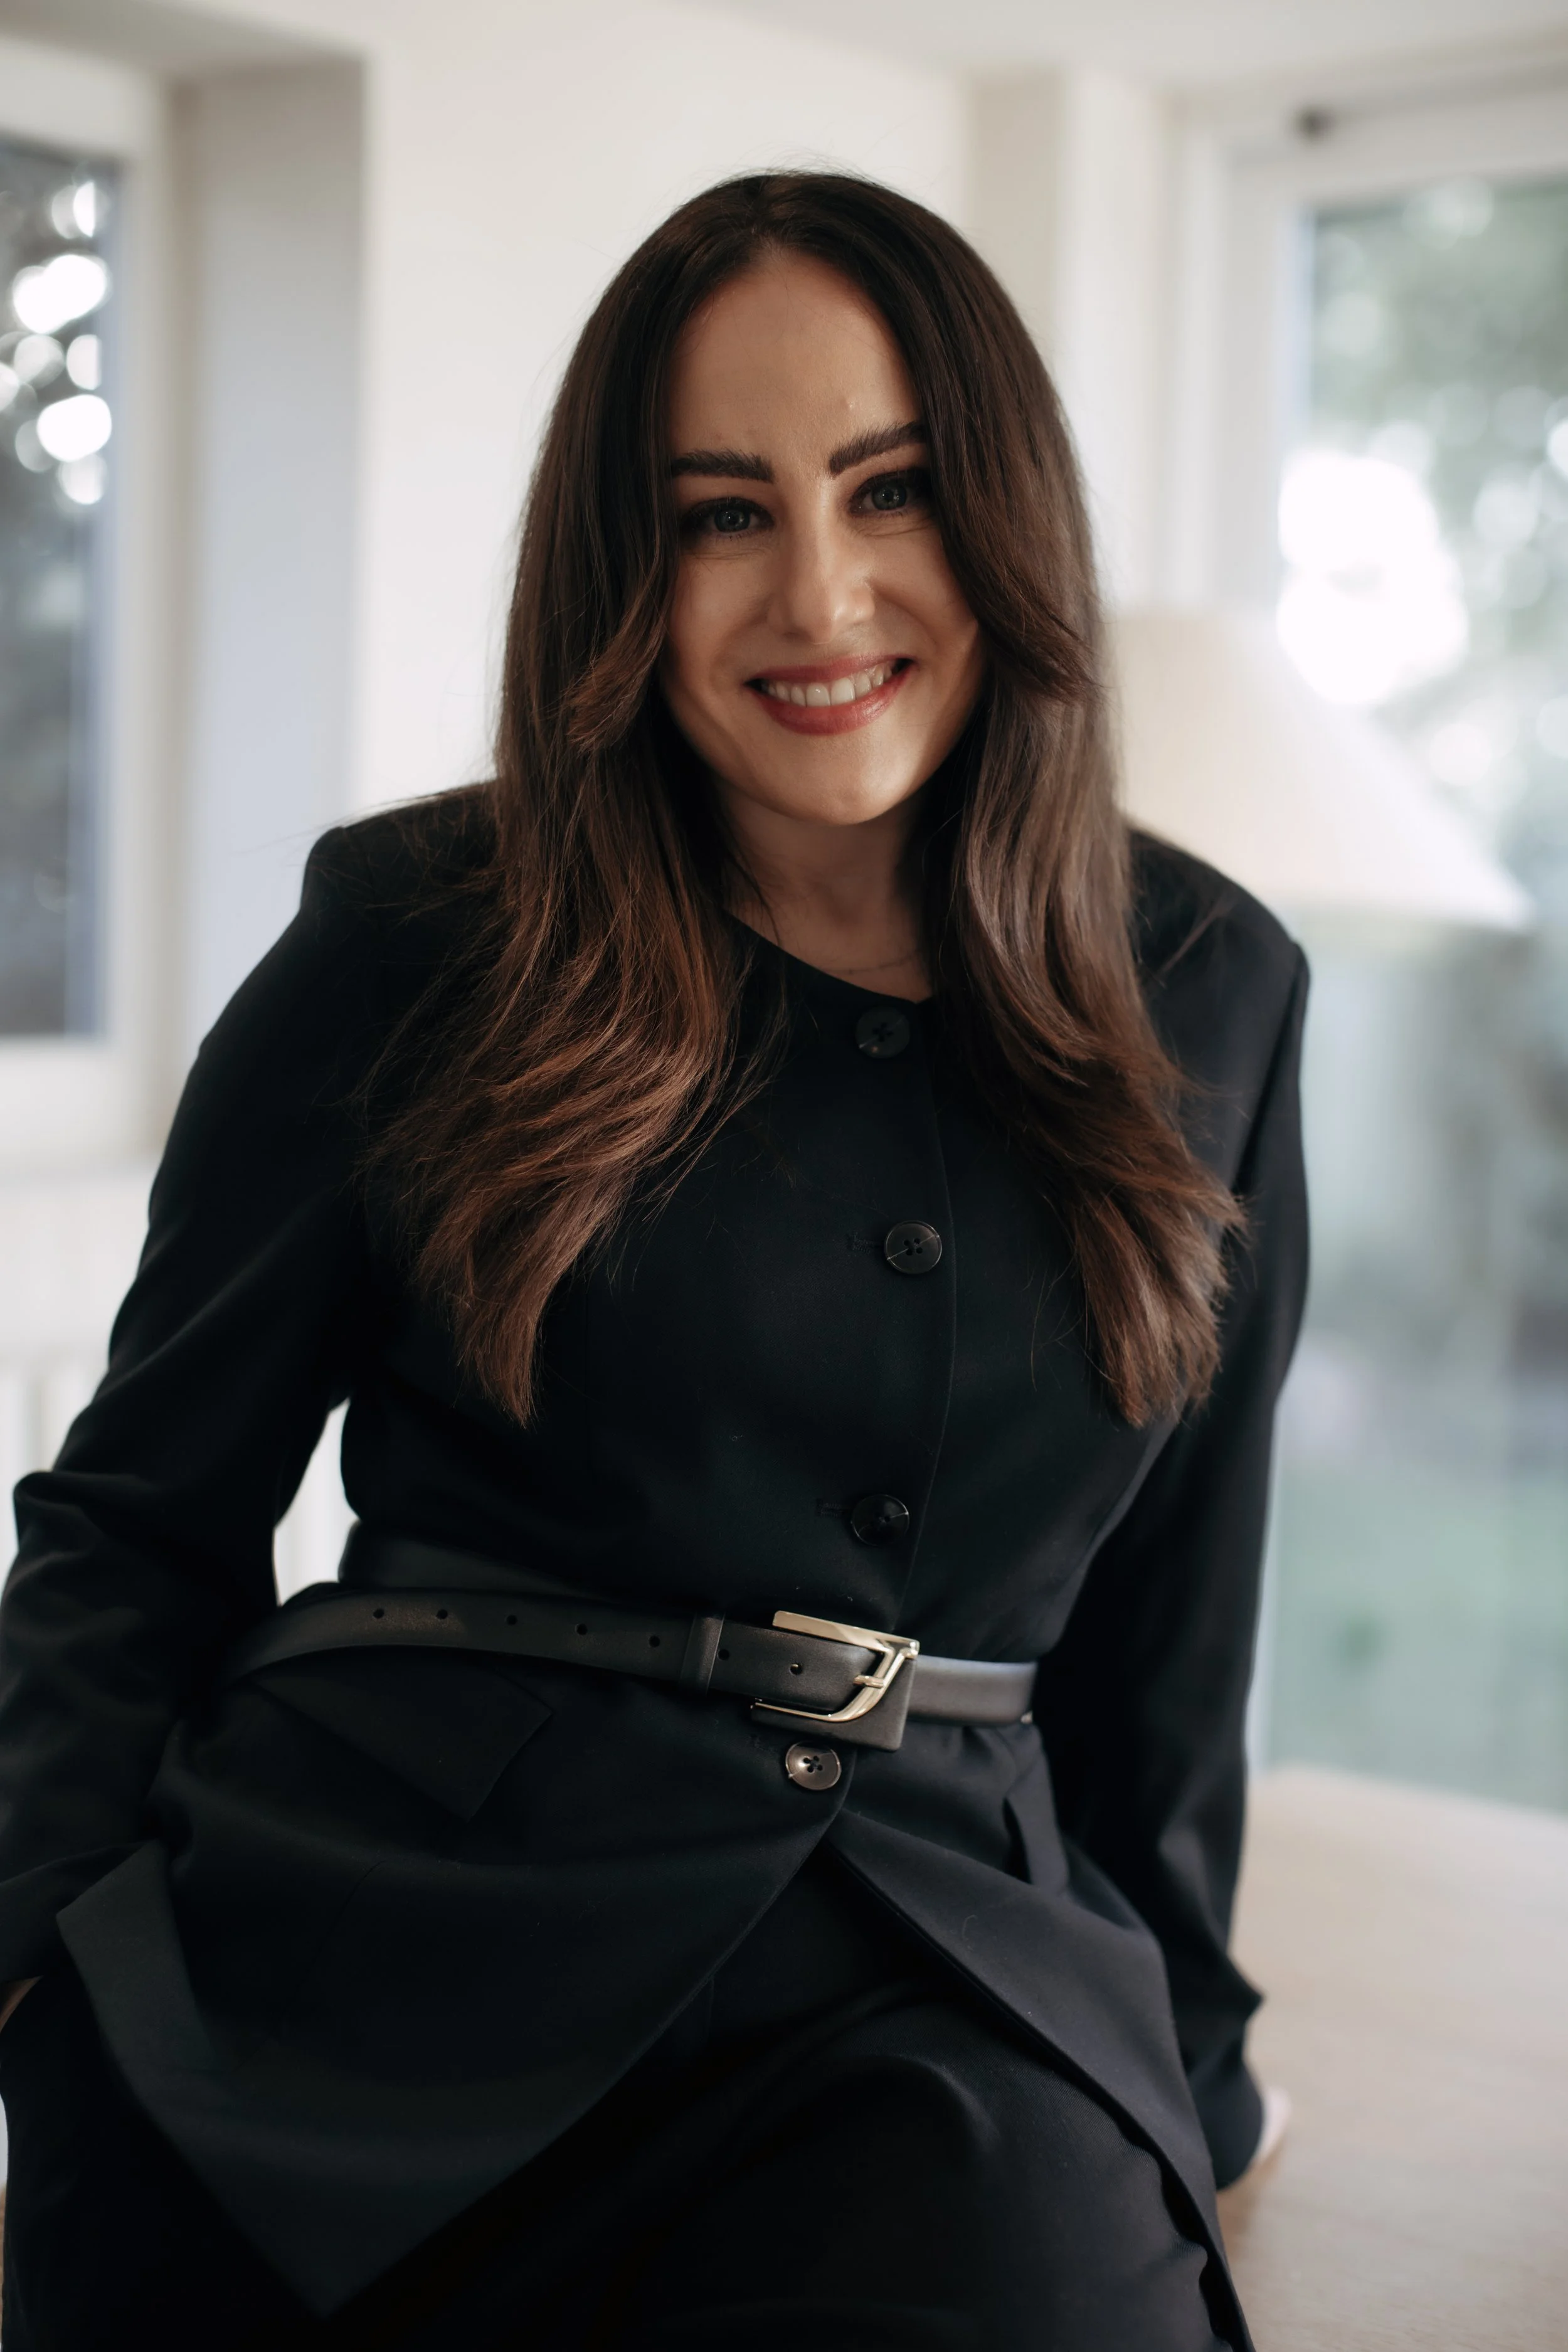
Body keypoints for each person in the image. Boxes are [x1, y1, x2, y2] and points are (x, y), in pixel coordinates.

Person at [0, 172, 1306, 2350]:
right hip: (350, 1972)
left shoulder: (1212, 986)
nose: (820, 591)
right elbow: (140, 1517)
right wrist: (41, 1958)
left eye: (889, 488)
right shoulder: (420, 935)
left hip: (934, 1992)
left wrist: (1176, 2078)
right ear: (627, 571)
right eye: (722, 513)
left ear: (1002, 511)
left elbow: (1174, 1636)